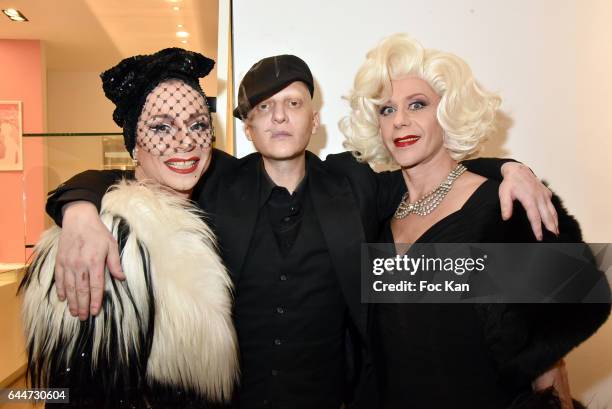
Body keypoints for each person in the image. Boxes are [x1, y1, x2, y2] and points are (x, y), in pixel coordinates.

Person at [45, 54, 559, 409]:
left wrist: (509, 168)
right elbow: (132, 172)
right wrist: (78, 210)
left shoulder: (354, 183)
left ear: (314, 119)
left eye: (293, 103)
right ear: (247, 128)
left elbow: (430, 168)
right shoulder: (212, 180)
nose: (279, 117)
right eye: (264, 108)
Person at [340, 33, 611, 409]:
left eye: (417, 104)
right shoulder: (378, 216)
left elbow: (547, 363)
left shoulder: (502, 207)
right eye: (386, 110)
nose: (400, 120)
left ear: (448, 112)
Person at [20, 48, 239, 408]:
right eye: (161, 127)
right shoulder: (106, 239)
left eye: (198, 124)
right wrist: (77, 208)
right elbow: (76, 390)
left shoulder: (218, 197)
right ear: (134, 144)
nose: (184, 141)